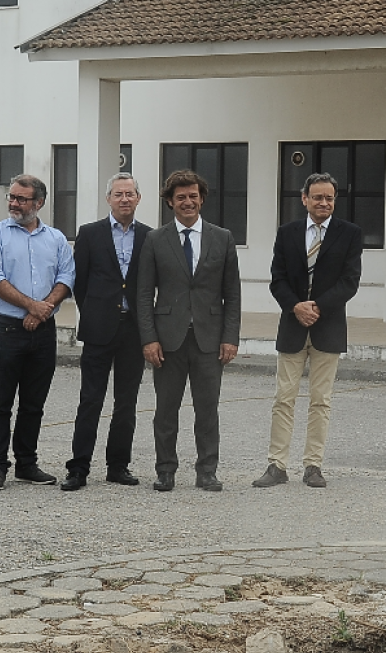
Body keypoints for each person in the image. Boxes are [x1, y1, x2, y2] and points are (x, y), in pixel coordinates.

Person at [252, 173, 363, 489]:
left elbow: (349, 281)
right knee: (283, 398)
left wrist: (317, 307)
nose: (323, 203)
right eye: (317, 197)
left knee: (321, 400)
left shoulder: (350, 234)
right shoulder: (287, 233)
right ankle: (277, 465)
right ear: (304, 199)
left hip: (328, 326)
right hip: (292, 325)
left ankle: (313, 466)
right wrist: (296, 306)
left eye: (329, 198)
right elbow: (278, 278)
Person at [137, 170, 241, 492]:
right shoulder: (155, 240)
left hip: (210, 339)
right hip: (167, 341)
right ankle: (165, 470)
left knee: (207, 409)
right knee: (166, 410)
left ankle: (207, 471)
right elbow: (143, 294)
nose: (188, 202)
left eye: (193, 195)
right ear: (170, 202)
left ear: (202, 198)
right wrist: (149, 338)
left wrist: (230, 337)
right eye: (180, 197)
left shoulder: (222, 238)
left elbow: (232, 293)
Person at [61, 173, 151, 491]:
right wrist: (97, 311)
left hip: (133, 330)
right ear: (108, 198)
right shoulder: (90, 233)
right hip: (99, 329)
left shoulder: (149, 237)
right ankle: (79, 467)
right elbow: (80, 283)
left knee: (126, 401)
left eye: (130, 193)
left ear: (138, 198)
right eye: (118, 193)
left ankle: (118, 465)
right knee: (91, 399)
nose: (124, 198)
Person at [0, 175, 75, 489]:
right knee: (2, 403)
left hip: (43, 332)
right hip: (6, 329)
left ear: (39, 203)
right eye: (12, 197)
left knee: (34, 403)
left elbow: (67, 276)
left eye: (21, 199)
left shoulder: (56, 238)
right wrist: (33, 306)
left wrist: (43, 308)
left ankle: (26, 464)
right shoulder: (0, 234)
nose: (14, 203)